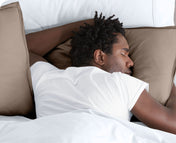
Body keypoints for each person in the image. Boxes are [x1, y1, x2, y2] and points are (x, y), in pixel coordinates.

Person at [26, 12, 176, 134]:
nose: (131, 63)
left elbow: (20, 48)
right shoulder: (121, 83)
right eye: (124, 54)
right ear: (99, 56)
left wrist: (77, 27)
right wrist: (169, 83)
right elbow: (173, 123)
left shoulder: (46, 77)